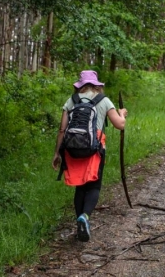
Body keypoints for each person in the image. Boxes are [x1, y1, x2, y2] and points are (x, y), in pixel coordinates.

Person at [52, 70, 127, 242]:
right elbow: (120, 125)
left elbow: (62, 130)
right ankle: (84, 217)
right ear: (97, 85)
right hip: (94, 149)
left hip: (72, 149)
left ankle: (80, 225)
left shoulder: (72, 100)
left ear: (80, 85)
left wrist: (57, 153)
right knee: (93, 186)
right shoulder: (103, 100)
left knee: (80, 186)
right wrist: (122, 113)